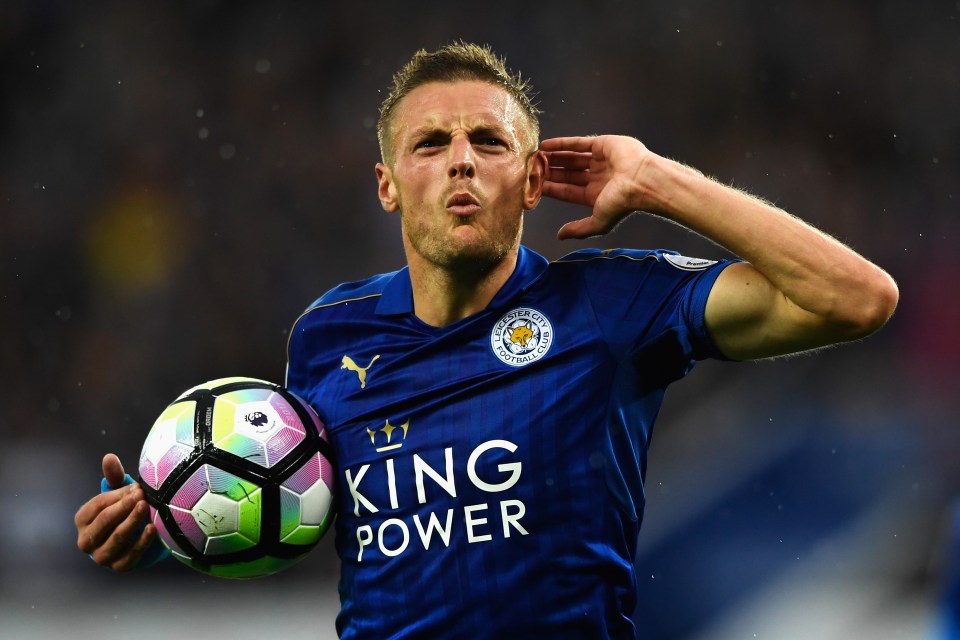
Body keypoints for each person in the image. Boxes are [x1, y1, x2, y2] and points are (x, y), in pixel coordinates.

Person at [75, 42, 899, 638]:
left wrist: (657, 181)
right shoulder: (329, 336)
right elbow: (306, 514)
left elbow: (855, 298)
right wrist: (174, 532)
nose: (460, 162)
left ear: (534, 177)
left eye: (490, 142)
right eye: (431, 145)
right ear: (389, 186)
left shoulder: (607, 306)